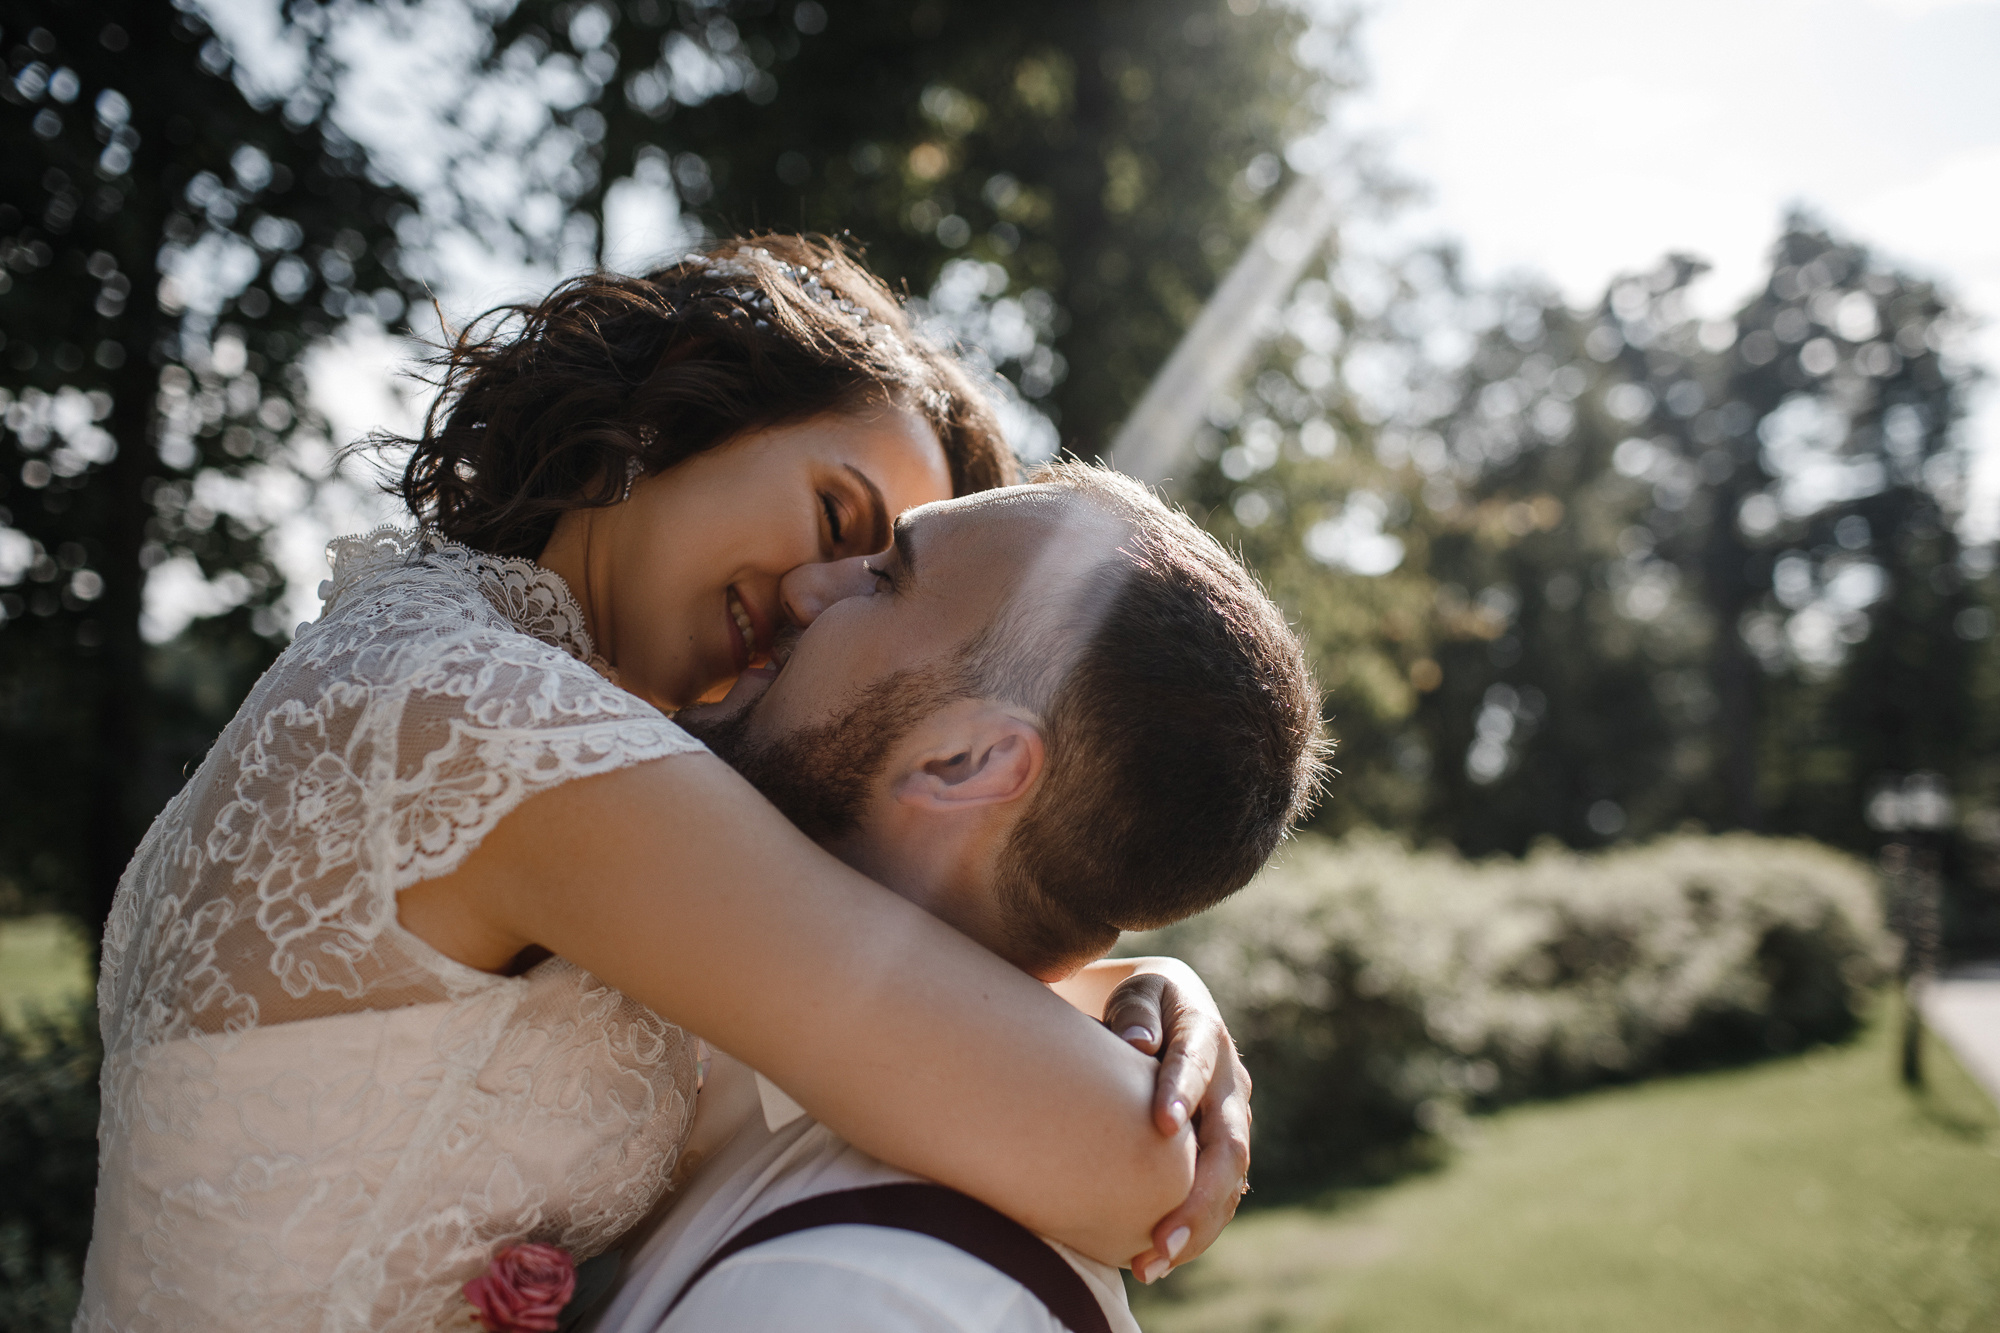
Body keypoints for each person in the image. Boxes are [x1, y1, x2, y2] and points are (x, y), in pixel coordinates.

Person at [75, 236, 1282, 1333]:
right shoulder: (492, 717)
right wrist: (1165, 1086)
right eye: (834, 513)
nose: (815, 597)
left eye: (873, 576)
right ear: (692, 395)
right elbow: (1123, 1170)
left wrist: (1137, 982)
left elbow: (865, 963)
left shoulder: (456, 676)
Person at [588, 460, 1326, 1333]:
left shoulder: (878, 1296)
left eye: (884, 577)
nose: (804, 584)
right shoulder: (704, 1014)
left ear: (963, 761)